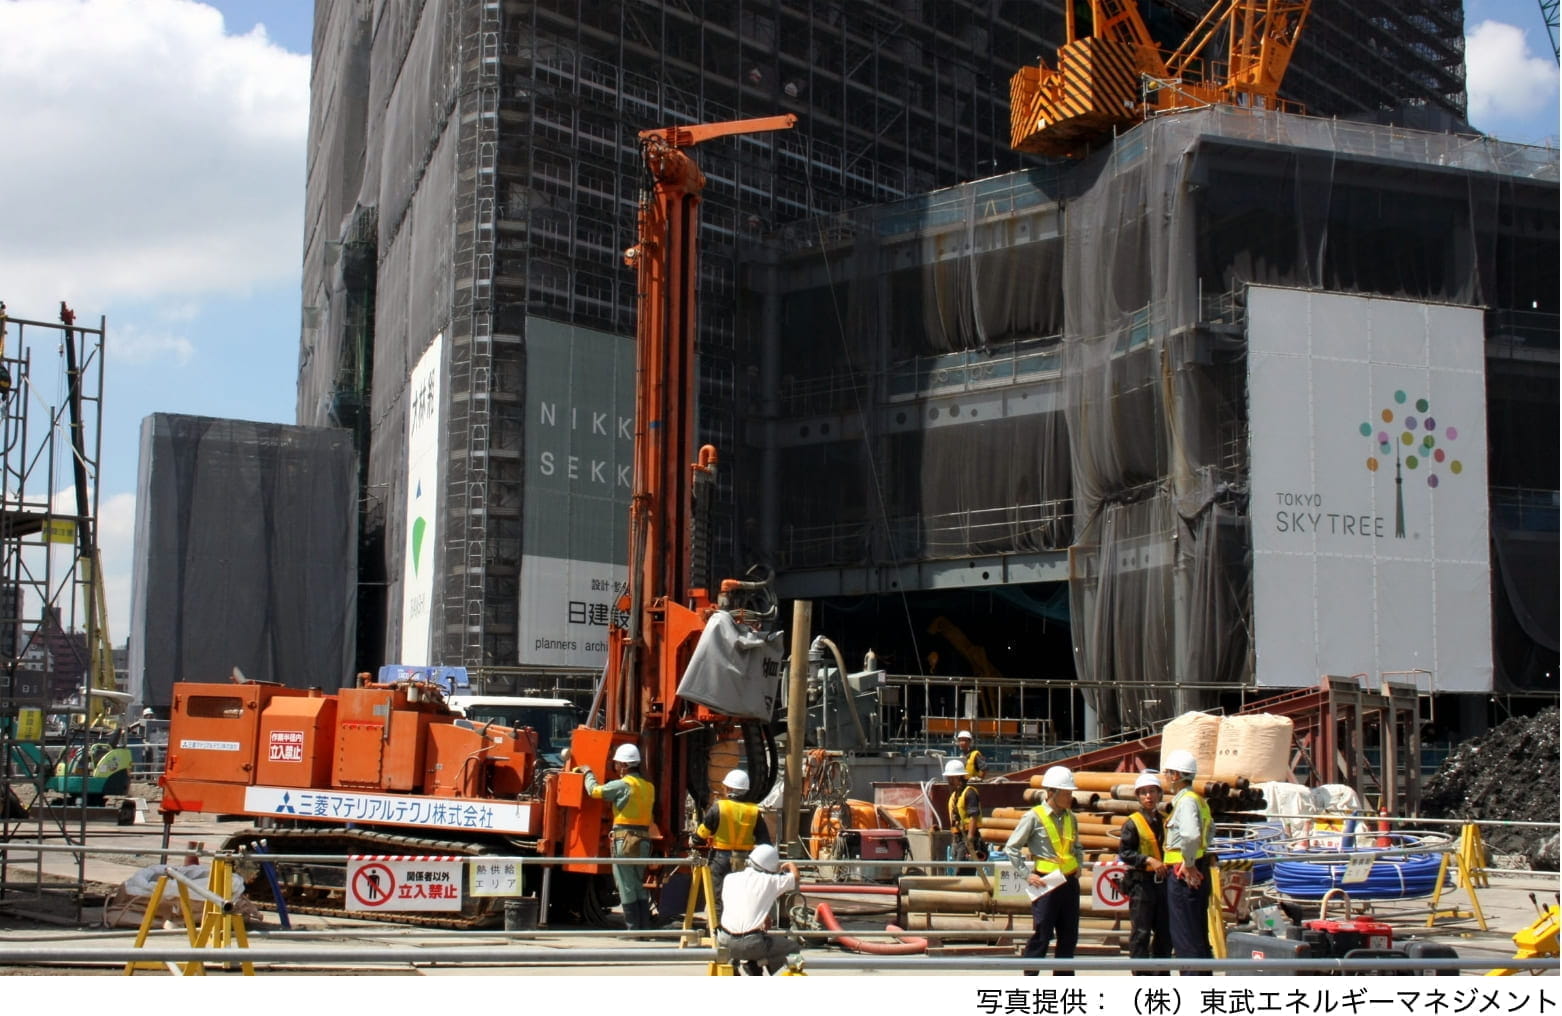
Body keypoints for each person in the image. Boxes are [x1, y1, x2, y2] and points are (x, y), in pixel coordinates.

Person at [1004, 764, 1084, 975]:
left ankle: (1063, 983)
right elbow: (1011, 847)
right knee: (1042, 933)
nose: (1070, 798)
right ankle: (1030, 981)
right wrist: (1026, 874)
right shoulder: (1033, 816)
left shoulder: (1070, 817)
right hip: (1045, 882)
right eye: (1066, 793)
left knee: (1069, 935)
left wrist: (1079, 865)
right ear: (1051, 792)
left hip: (1069, 882)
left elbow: (1077, 846)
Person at [579, 742, 657, 933]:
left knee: (626, 884)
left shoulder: (622, 785)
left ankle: (632, 930)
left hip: (625, 839)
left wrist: (587, 773)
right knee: (638, 884)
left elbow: (594, 791)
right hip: (644, 841)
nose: (615, 767)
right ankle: (643, 928)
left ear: (623, 765)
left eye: (616, 764)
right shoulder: (649, 787)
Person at [1161, 749, 1214, 971]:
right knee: (1197, 933)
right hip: (1195, 868)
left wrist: (1189, 863)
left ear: (1175, 776)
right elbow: (1209, 832)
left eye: (1167, 773)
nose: (1164, 777)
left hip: (1184, 874)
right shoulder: (1199, 801)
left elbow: (1191, 835)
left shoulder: (1186, 802)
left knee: (1185, 937)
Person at [1117, 770, 1171, 974]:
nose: (1148, 796)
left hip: (1164, 883)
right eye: (1144, 792)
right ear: (1138, 796)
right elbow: (1125, 852)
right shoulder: (1133, 822)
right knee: (1141, 932)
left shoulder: (1166, 821)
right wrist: (1148, 860)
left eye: (1152, 792)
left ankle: (1162, 973)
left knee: (1164, 933)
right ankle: (1141, 976)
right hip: (1142, 884)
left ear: (1159, 794)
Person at [717, 843, 802, 975]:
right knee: (792, 947)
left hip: (724, 940)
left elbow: (745, 902)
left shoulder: (730, 878)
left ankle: (740, 966)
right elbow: (795, 878)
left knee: (755, 943)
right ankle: (756, 965)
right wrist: (790, 865)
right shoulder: (770, 880)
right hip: (751, 943)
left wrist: (764, 916)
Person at [694, 768, 770, 907]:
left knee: (717, 897)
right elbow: (765, 842)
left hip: (720, 859)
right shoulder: (754, 811)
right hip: (745, 860)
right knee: (740, 897)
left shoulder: (719, 807)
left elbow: (702, 834)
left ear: (728, 788)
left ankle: (717, 927)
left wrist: (694, 840)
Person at [944, 758, 983, 862]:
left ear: (960, 777)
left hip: (967, 838)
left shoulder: (969, 793)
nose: (949, 781)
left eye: (952, 778)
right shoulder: (955, 795)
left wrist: (970, 838)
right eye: (949, 778)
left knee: (963, 872)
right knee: (958, 869)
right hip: (958, 838)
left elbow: (973, 816)